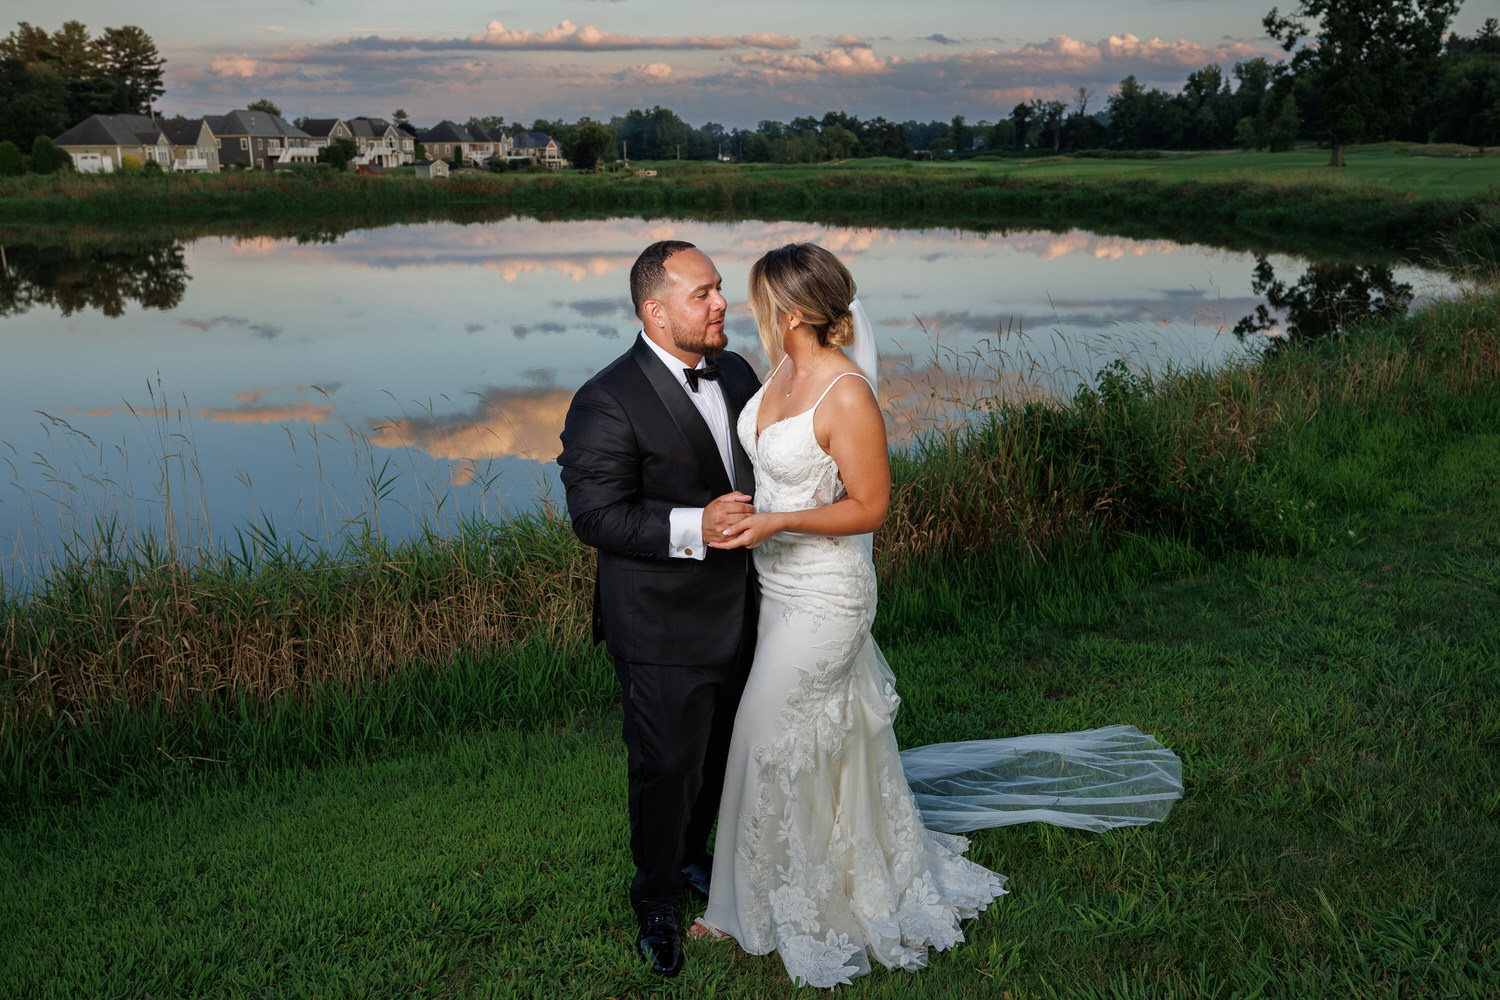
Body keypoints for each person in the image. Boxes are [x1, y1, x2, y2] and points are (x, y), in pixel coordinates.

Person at [691, 243, 1183, 988]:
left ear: (790, 312)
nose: (746, 311)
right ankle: (817, 869)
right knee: (823, 737)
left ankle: (754, 906)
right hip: (778, 589)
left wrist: (778, 525)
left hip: (828, 595)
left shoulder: (846, 392)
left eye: (758, 299)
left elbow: (871, 507)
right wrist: (750, 516)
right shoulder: (781, 373)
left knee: (763, 730)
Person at [557, 240, 761, 977]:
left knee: (720, 757)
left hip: (748, 608)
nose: (721, 304)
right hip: (661, 624)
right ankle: (656, 899)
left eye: (719, 290)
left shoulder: (735, 370)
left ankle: (697, 856)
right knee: (666, 766)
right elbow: (596, 519)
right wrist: (693, 526)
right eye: (703, 294)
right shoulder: (606, 399)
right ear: (656, 309)